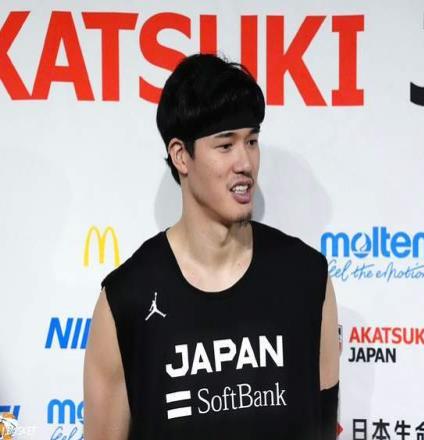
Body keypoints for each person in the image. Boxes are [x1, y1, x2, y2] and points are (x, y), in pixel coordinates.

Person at [83, 52, 340, 440]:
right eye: (225, 145)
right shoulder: (127, 300)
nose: (245, 162)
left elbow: (323, 427)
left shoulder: (307, 278)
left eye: (251, 141)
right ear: (181, 156)